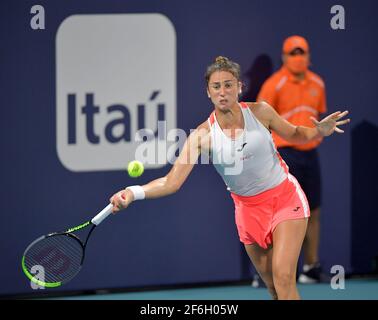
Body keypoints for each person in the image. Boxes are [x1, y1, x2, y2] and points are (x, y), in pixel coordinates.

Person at [110, 56, 349, 300]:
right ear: (208, 92)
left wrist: (317, 131)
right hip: (248, 210)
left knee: (284, 279)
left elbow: (296, 134)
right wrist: (133, 192)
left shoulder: (261, 112)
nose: (223, 92)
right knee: (274, 290)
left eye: (228, 85)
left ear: (239, 87)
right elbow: (171, 182)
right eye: (216, 86)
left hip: (285, 198)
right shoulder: (202, 136)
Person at [257, 35, 330, 283]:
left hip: (310, 154)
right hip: (283, 154)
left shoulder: (318, 84)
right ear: (284, 57)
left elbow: (317, 117)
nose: (298, 58)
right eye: (293, 53)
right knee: (278, 214)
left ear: (309, 56)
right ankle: (270, 271)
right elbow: (260, 123)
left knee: (313, 210)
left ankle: (310, 267)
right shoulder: (273, 84)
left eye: (302, 53)